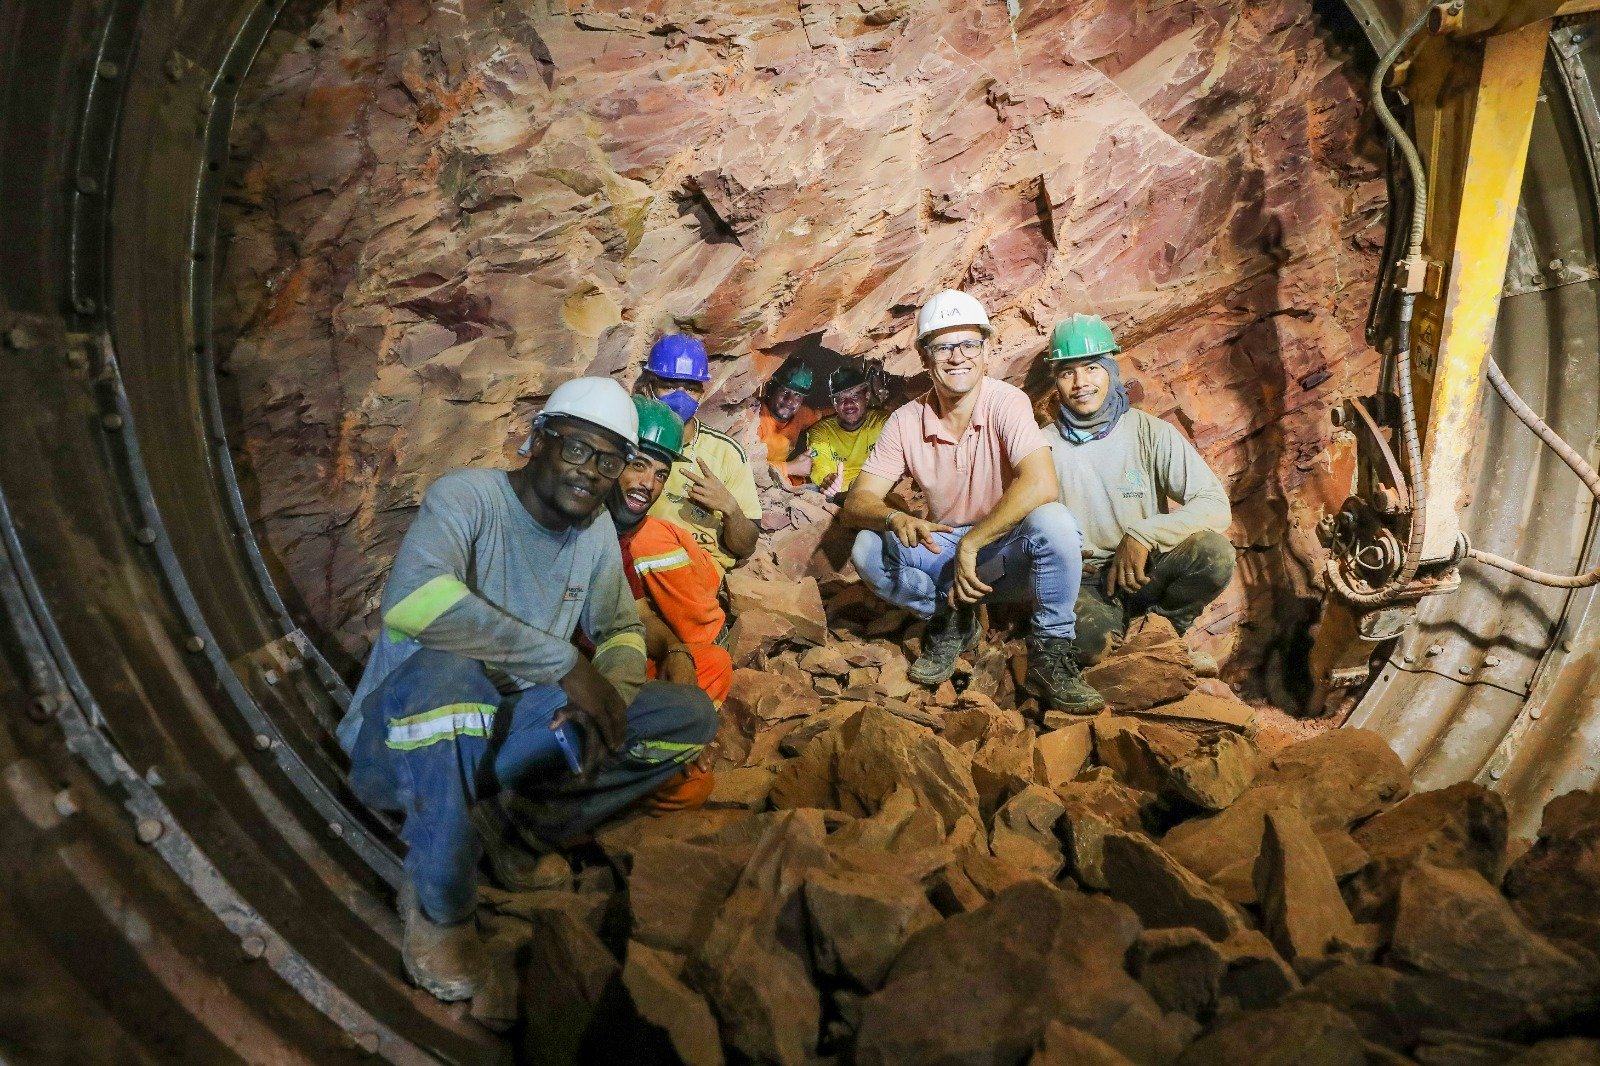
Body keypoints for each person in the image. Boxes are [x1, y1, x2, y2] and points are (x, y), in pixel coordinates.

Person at [338, 377, 717, 1003]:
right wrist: (565, 665)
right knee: (450, 670)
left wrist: (610, 698)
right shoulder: (466, 498)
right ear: (537, 440)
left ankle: (516, 827)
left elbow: (620, 625)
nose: (593, 473)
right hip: (405, 745)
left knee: (686, 715)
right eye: (577, 450)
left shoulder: (593, 533)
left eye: (610, 461)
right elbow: (416, 603)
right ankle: (440, 905)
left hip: (500, 736)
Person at [842, 290, 1103, 712]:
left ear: (985, 352)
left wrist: (973, 542)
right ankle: (949, 618)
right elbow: (858, 501)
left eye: (968, 344)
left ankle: (1050, 652)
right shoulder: (906, 421)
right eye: (943, 346)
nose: (957, 357)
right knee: (866, 548)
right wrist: (892, 516)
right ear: (925, 358)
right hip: (943, 550)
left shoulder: (1006, 402)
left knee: (1054, 522)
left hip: (1003, 552)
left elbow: (1041, 484)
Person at [1041, 314, 1235, 671]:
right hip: (1090, 583)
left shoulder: (1150, 433)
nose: (1081, 383)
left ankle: (1162, 639)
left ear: (1111, 372)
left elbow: (1215, 505)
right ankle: (1139, 657)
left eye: (1092, 369)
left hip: (1148, 570)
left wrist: (1144, 532)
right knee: (1089, 649)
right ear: (1056, 381)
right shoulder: (1043, 447)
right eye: (1068, 372)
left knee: (1215, 554)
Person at [608, 395, 735, 707]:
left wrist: (674, 650)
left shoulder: (618, 536)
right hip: (578, 671)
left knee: (712, 664)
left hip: (619, 652)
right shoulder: (588, 525)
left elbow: (639, 613)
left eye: (661, 474)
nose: (649, 483)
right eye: (639, 465)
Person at [635, 334, 762, 573]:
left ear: (702, 393)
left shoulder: (726, 453)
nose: (680, 397)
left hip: (699, 568)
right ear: (648, 388)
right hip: (641, 560)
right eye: (669, 386)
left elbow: (745, 548)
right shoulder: (630, 439)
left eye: (690, 389)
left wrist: (731, 509)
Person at [802, 361, 890, 499]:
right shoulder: (821, 432)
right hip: (837, 496)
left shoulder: (882, 423)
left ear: (866, 396)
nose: (848, 403)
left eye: (855, 396)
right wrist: (828, 481)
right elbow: (820, 468)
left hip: (877, 494)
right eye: (840, 398)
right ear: (834, 404)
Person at [756, 358, 822, 485]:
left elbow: (826, 413)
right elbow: (745, 466)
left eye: (798, 395)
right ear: (773, 389)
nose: (790, 400)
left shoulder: (801, 414)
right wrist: (791, 467)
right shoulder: (757, 416)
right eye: (785, 391)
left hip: (783, 482)